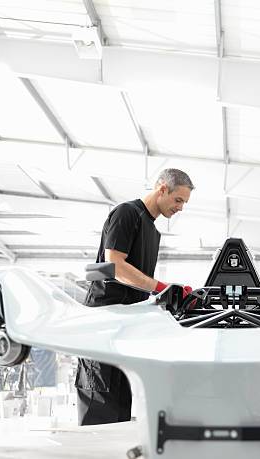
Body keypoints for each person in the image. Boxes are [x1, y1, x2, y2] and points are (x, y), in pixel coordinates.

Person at [75, 168, 195, 426]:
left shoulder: (153, 231)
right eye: (178, 200)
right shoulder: (127, 213)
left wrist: (168, 293)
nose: (181, 208)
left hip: (127, 329)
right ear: (162, 188)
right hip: (103, 325)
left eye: (184, 203)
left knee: (120, 411)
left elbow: (140, 283)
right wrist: (161, 286)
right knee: (100, 408)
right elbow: (115, 265)